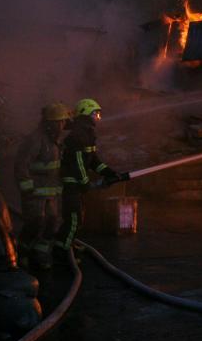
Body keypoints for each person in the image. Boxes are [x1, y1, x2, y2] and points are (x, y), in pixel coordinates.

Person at [55, 98, 126, 260]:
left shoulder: (87, 134)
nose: (98, 117)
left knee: (78, 217)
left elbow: (92, 160)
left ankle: (68, 244)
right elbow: (78, 163)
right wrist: (85, 182)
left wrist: (109, 172)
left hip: (77, 184)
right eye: (95, 114)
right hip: (71, 184)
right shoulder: (77, 136)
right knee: (73, 219)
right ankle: (62, 253)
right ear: (85, 114)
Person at [14, 102, 70, 270]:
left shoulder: (55, 140)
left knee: (52, 222)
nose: (62, 125)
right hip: (34, 193)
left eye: (63, 121)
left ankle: (40, 254)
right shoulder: (35, 140)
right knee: (35, 223)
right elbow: (21, 165)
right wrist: (27, 187)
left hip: (50, 193)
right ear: (50, 123)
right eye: (59, 121)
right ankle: (22, 253)